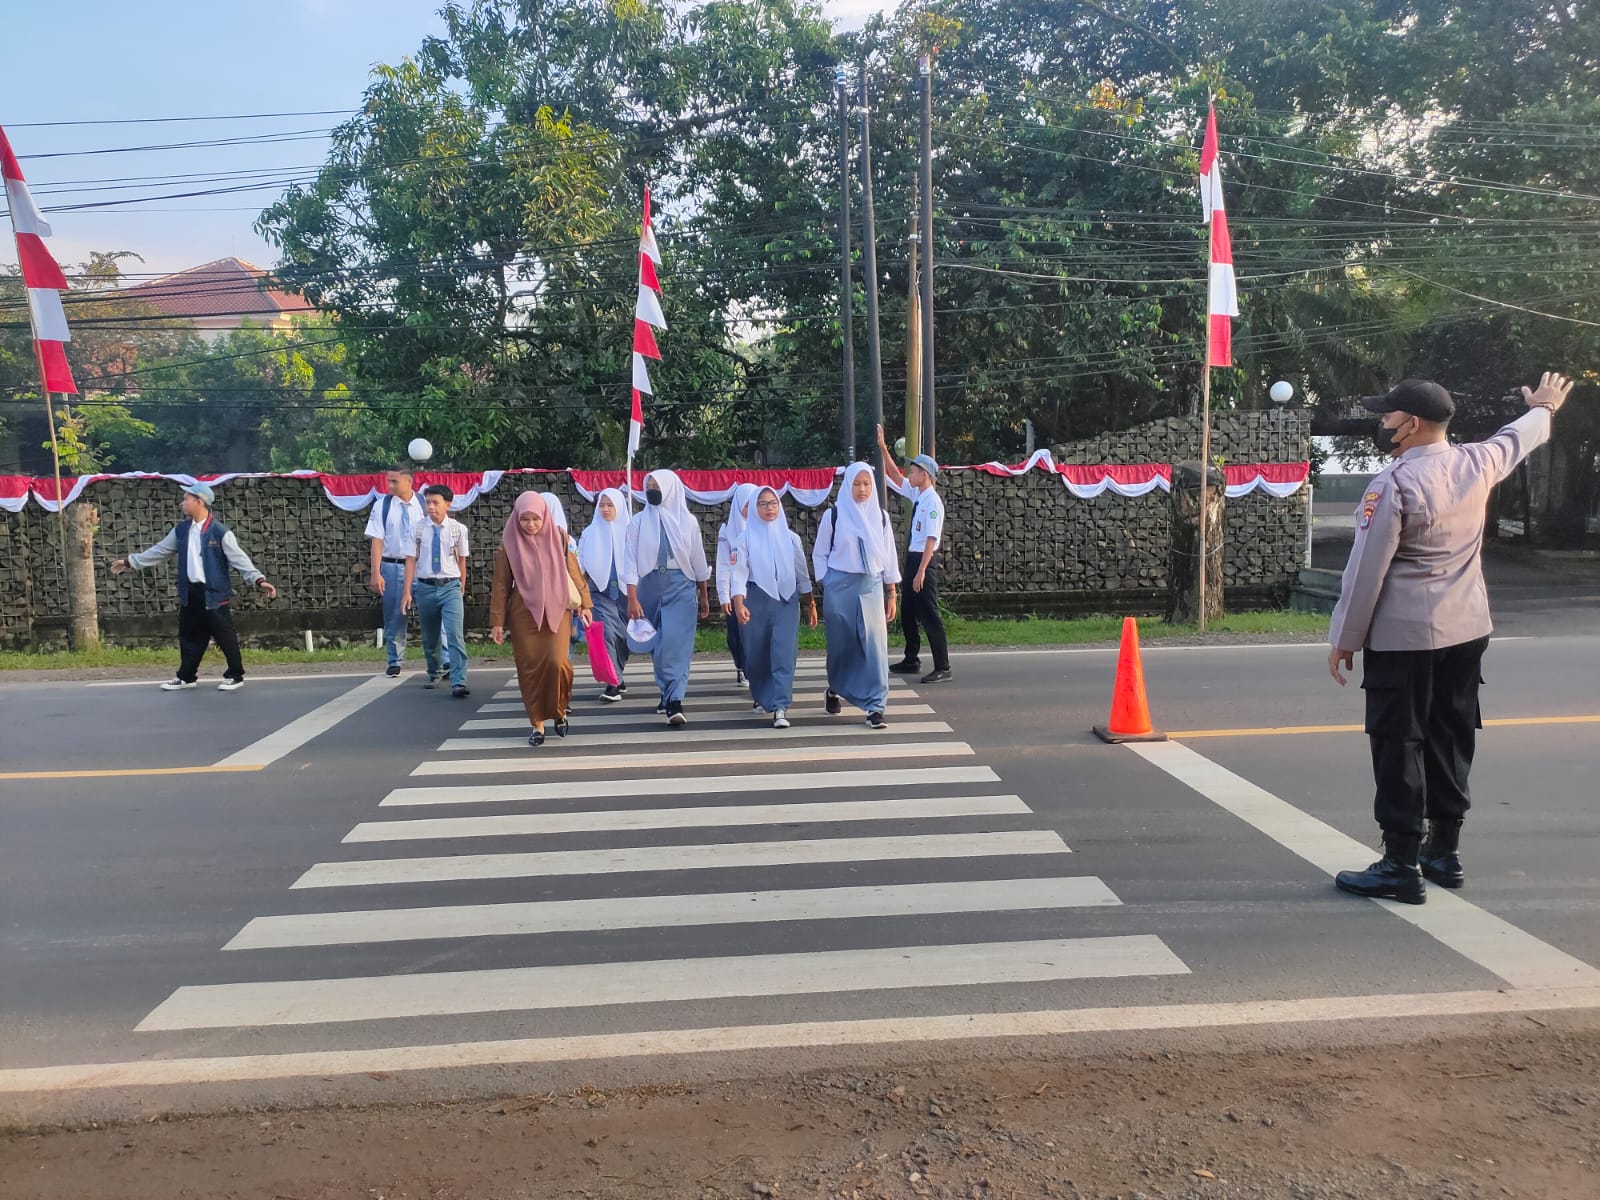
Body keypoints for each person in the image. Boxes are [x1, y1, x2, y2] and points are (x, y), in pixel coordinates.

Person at [1327, 371, 1575, 904]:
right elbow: (1520, 436)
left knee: (1400, 743)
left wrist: (1345, 638)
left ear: (1410, 425)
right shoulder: (1477, 462)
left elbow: (1367, 572)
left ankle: (1399, 863)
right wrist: (1545, 408)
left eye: (1387, 416)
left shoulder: (1392, 485)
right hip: (1468, 631)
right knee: (1452, 735)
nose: (1381, 423)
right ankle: (1444, 851)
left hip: (1405, 638)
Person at [111, 482, 277, 691]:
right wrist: (130, 561)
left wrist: (259, 580)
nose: (183, 503)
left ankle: (235, 675)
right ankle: (187, 676)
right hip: (190, 593)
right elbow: (160, 550)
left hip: (215, 594)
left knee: (225, 636)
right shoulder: (181, 531)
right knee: (189, 637)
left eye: (186, 499)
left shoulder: (219, 532)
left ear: (199, 502)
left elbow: (239, 559)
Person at [491, 492, 594, 746]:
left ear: (544, 516)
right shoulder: (508, 542)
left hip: (558, 610)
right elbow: (501, 585)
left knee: (558, 663)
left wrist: (586, 605)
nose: (531, 525)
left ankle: (559, 710)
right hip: (523, 614)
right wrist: (497, 622)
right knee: (529, 670)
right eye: (524, 519)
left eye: (535, 519)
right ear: (516, 518)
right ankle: (537, 724)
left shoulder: (559, 537)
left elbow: (574, 571)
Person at [812, 461, 901, 728]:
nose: (862, 489)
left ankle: (876, 706)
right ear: (848, 485)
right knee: (842, 645)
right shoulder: (835, 515)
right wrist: (827, 581)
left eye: (866, 484)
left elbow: (888, 556)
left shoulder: (880, 517)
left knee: (875, 646)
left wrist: (892, 591)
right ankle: (835, 687)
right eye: (856, 484)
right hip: (839, 585)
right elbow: (820, 553)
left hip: (870, 585)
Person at [622, 469, 711, 727]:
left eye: (656, 485)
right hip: (649, 586)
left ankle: (675, 700)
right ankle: (666, 690)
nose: (652, 489)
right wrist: (632, 597)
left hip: (681, 586)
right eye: (648, 485)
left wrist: (704, 594)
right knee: (659, 646)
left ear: (670, 489)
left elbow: (698, 561)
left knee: (676, 644)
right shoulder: (637, 522)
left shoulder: (688, 522)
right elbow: (629, 562)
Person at [731, 486, 818, 728]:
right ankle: (762, 695)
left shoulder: (791, 538)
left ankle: (780, 706)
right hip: (756, 599)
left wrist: (810, 602)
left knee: (783, 653)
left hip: (786, 601)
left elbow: (801, 573)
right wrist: (738, 602)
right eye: (763, 504)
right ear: (754, 509)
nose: (769, 508)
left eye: (773, 503)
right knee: (756, 654)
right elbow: (737, 573)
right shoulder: (744, 539)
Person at [877, 425, 951, 684]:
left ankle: (943, 665)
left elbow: (932, 538)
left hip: (924, 561)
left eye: (914, 470)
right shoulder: (917, 493)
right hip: (913, 558)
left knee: (928, 612)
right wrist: (884, 449)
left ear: (925, 474)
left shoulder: (932, 502)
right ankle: (911, 659)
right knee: (908, 611)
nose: (910, 472)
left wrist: (921, 571)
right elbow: (896, 478)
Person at [401, 484, 471, 698]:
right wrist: (407, 591)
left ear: (448, 504)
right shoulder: (418, 528)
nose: (430, 507)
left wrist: (461, 585)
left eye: (435, 502)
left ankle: (459, 680)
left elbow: (461, 561)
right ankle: (434, 671)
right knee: (430, 636)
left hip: (450, 585)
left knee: (454, 635)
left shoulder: (459, 529)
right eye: (428, 502)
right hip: (425, 586)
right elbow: (411, 560)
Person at [364, 464, 426, 677]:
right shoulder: (383, 505)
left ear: (409, 482)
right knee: (394, 614)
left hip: (422, 566)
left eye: (394, 481)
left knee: (433, 613)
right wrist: (376, 572)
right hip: (394, 565)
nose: (389, 485)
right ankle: (395, 659)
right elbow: (377, 540)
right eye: (388, 480)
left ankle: (442, 659)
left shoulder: (425, 504)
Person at [577, 487, 632, 702]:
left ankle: (617, 673)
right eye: (602, 504)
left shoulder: (630, 531)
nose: (606, 509)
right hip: (600, 593)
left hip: (627, 592)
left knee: (624, 637)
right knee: (607, 633)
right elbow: (579, 563)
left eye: (610, 505)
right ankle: (612, 683)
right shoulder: (589, 534)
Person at [715, 483, 759, 685]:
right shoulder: (728, 530)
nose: (751, 510)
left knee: (757, 632)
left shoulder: (764, 526)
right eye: (747, 505)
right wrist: (724, 595)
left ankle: (755, 669)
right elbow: (723, 564)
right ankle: (741, 666)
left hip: (758, 588)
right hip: (736, 591)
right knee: (736, 633)